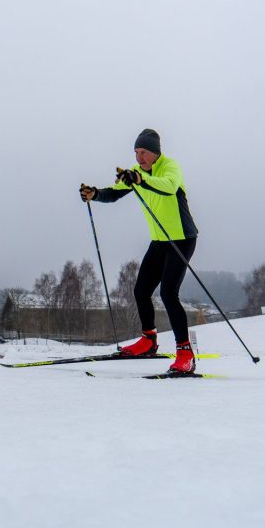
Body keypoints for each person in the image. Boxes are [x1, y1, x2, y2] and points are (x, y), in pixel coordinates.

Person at [80, 129, 200, 374]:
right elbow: (115, 193)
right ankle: (148, 341)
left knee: (168, 294)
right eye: (136, 152)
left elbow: (168, 187)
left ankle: (185, 354)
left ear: (155, 152)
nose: (139, 157)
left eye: (144, 152)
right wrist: (96, 194)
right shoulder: (136, 174)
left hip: (181, 239)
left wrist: (140, 180)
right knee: (142, 290)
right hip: (159, 241)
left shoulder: (170, 167)